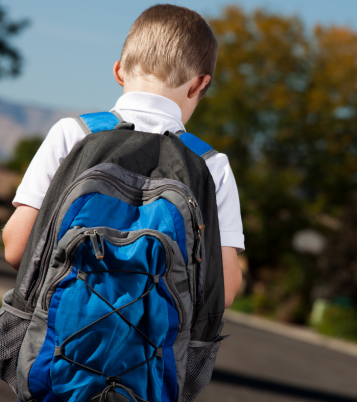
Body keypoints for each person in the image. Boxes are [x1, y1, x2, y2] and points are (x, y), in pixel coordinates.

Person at [2, 4, 244, 309]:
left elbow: (17, 247)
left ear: (118, 71)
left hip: (53, 339)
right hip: (154, 352)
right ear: (199, 84)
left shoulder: (75, 134)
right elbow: (226, 287)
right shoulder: (210, 165)